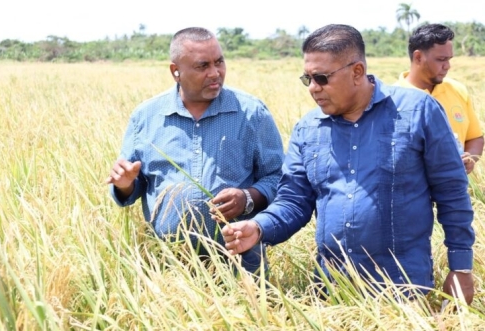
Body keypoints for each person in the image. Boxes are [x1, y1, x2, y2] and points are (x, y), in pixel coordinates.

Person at [222, 24, 475, 304]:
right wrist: (258, 228)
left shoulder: (417, 111)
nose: (314, 89)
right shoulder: (308, 129)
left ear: (357, 72)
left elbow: (452, 193)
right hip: (332, 290)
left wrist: (461, 267)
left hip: (404, 291)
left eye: (322, 78)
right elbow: (293, 201)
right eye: (308, 79)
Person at [106, 27, 284, 274]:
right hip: (170, 265)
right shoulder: (146, 117)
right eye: (202, 66)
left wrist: (248, 197)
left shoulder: (252, 113)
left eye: (219, 62)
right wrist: (125, 183)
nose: (215, 73)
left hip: (239, 261)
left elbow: (279, 178)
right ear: (175, 71)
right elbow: (132, 189)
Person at [395, 23, 483, 174]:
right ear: (418, 57)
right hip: (414, 194)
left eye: (449, 59)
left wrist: (470, 159)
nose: (447, 66)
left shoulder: (458, 90)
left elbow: (475, 138)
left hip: (455, 192)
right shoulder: (393, 99)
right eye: (441, 59)